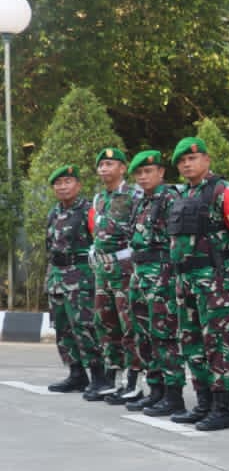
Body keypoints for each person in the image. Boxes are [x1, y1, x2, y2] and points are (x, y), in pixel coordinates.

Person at [166, 137, 229, 430]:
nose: (187, 164)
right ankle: (202, 403)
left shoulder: (223, 191)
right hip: (185, 280)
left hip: (213, 279)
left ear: (207, 160)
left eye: (192, 158)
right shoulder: (181, 195)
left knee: (217, 343)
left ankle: (221, 408)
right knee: (191, 342)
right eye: (182, 161)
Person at [123, 150, 185, 416]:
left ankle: (173, 395)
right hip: (140, 273)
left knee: (164, 334)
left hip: (161, 273)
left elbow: (178, 239)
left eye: (148, 171)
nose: (143, 177)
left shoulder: (171, 198)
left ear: (161, 172)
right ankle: (156, 389)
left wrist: (170, 275)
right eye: (139, 173)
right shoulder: (141, 201)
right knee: (144, 334)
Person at [87, 147, 143, 403]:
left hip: (124, 268)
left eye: (110, 164)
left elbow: (142, 229)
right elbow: (96, 231)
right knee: (105, 321)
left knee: (128, 322)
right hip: (102, 270)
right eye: (101, 165)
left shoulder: (134, 194)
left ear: (123, 168)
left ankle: (134, 379)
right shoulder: (99, 199)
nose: (104, 169)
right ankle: (112, 376)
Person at [43, 165, 98, 393]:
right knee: (63, 327)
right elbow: (50, 247)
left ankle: (99, 376)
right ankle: (76, 374)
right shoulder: (54, 213)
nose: (63, 187)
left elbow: (98, 243)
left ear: (78, 185)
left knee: (85, 326)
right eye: (58, 183)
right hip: (57, 275)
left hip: (81, 275)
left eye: (67, 181)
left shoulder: (89, 210)